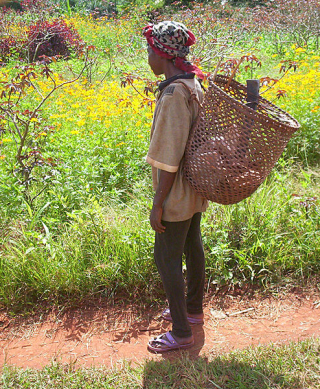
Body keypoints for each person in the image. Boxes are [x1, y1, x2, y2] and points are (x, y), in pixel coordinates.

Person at [143, 21, 209, 353]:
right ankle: (193, 311)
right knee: (192, 245)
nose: (147, 57)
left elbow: (168, 160)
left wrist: (158, 203)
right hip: (196, 184)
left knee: (166, 257)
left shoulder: (171, 94)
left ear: (162, 54)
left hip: (177, 189)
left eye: (150, 51)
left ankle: (181, 331)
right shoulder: (192, 84)